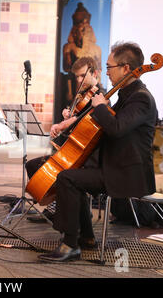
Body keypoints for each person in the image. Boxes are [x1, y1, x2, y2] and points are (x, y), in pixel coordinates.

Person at [39, 42, 158, 262]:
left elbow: (116, 128)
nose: (108, 72)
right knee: (73, 174)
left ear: (125, 68)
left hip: (127, 174)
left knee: (67, 178)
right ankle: (84, 237)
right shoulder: (127, 95)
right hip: (115, 166)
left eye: (110, 67)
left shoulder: (141, 98)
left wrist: (101, 106)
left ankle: (70, 244)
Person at [26, 57, 103, 223]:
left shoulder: (100, 97)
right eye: (76, 76)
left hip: (86, 156)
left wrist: (68, 122)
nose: (79, 80)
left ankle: (66, 210)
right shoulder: (83, 96)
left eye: (82, 75)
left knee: (42, 168)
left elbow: (88, 123)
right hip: (72, 149)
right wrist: (69, 114)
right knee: (33, 165)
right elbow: (78, 120)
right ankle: (57, 206)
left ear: (95, 73)